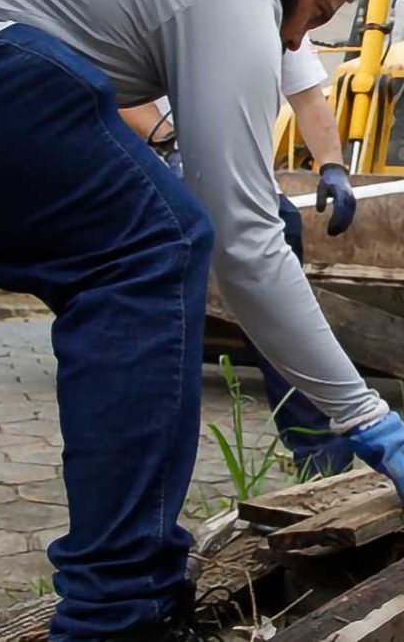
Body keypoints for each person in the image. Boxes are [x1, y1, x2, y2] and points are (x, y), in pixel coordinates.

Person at [0, 0, 404, 639]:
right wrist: (367, 416)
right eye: (315, 11)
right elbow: (244, 245)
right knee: (148, 251)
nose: (296, 36)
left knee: (159, 226)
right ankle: (120, 617)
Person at [122, 42, 356, 478]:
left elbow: (308, 99)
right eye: (320, 8)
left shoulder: (283, 20)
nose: (307, 28)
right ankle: (147, 479)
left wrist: (332, 167)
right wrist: (172, 142)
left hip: (246, 191)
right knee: (164, 338)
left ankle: (321, 458)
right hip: (157, 191)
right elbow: (113, 90)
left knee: (285, 320)